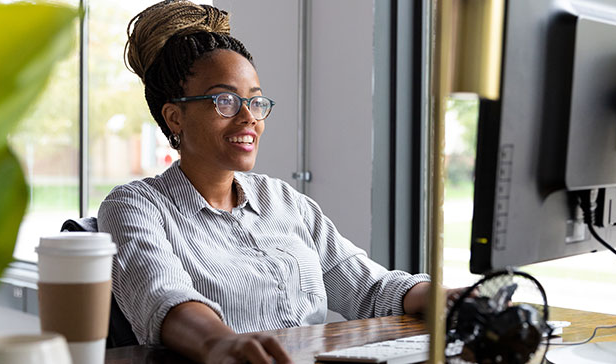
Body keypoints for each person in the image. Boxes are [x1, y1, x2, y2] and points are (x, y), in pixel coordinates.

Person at [98, 2, 457, 363]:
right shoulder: (135, 206)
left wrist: (446, 298)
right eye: (225, 101)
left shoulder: (283, 201)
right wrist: (220, 343)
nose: (248, 117)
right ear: (175, 117)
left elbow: (369, 288)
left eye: (255, 102)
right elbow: (164, 298)